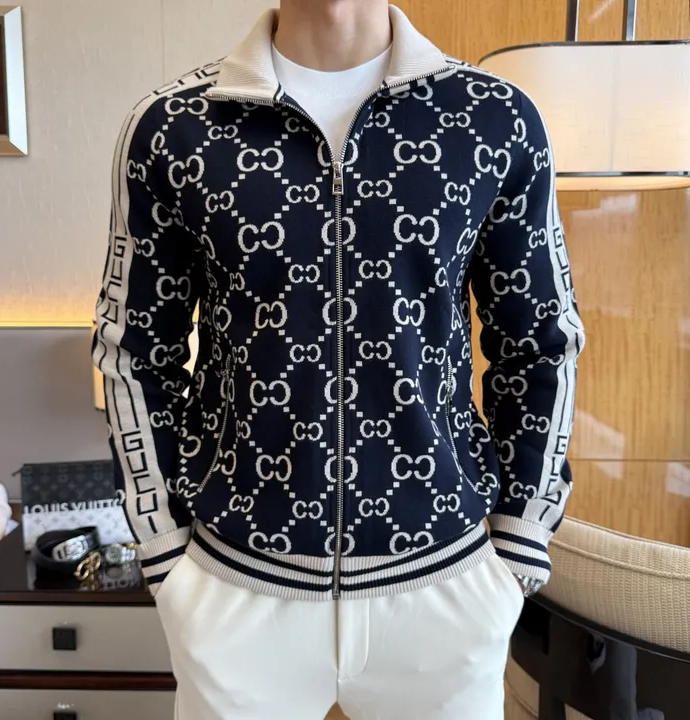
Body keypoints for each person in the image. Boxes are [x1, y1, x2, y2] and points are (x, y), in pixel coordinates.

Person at [92, 1, 585, 717]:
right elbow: (134, 349)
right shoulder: (174, 127)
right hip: (235, 589)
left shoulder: (494, 117)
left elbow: (539, 341)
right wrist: (164, 552)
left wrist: (520, 544)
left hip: (444, 586)